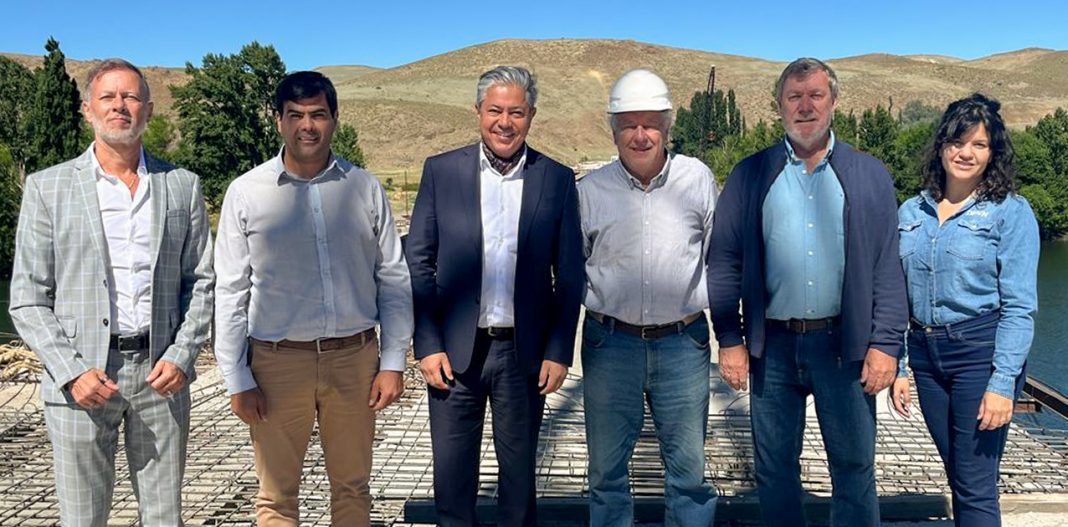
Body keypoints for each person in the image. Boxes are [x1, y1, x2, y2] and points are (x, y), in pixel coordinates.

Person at [9, 58, 214, 526]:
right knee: (83, 518)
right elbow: (27, 297)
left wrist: (182, 356)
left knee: (164, 518)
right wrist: (70, 371)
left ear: (148, 109)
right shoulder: (47, 189)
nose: (119, 105)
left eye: (131, 96)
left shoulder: (182, 187)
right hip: (82, 379)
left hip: (160, 376)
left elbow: (202, 281)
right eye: (107, 96)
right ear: (88, 109)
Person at [707, 57, 908, 527]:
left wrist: (886, 343)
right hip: (773, 347)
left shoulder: (868, 174)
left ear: (833, 101)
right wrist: (730, 337)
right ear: (779, 105)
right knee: (775, 469)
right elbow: (725, 261)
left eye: (815, 95)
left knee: (854, 469)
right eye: (794, 97)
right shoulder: (750, 174)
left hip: (845, 345)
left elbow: (887, 266)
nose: (805, 106)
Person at [213, 71, 413, 526]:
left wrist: (393, 361)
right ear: (279, 121)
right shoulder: (246, 193)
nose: (307, 126)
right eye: (296, 115)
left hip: (354, 360)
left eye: (318, 114)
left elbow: (392, 277)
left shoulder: (364, 188)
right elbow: (231, 289)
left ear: (335, 119)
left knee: (353, 489)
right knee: (276, 496)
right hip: (277, 364)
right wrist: (236, 377)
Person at [405, 65, 584, 527]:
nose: (505, 122)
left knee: (519, 484)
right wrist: (427, 344)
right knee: (451, 482)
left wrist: (558, 349)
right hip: (454, 354)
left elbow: (569, 274)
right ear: (478, 112)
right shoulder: (441, 172)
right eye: (495, 111)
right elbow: (418, 261)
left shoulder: (556, 179)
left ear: (532, 116)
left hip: (523, 356)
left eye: (516, 113)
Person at [889, 93, 1039, 527]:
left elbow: (1019, 307)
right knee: (958, 474)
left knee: (974, 483)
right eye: (957, 142)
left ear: (993, 153)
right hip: (926, 356)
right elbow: (897, 296)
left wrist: (1003, 383)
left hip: (979, 353)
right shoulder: (911, 211)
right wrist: (900, 366)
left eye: (979, 144)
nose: (965, 153)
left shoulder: (1010, 213)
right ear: (941, 146)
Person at [577, 69, 718, 527]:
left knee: (688, 472)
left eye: (651, 124)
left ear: (667, 127)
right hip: (609, 344)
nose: (640, 135)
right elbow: (573, 265)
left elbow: (718, 257)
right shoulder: (590, 192)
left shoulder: (697, 180)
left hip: (682, 344)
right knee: (606, 473)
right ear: (613, 130)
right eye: (628, 125)